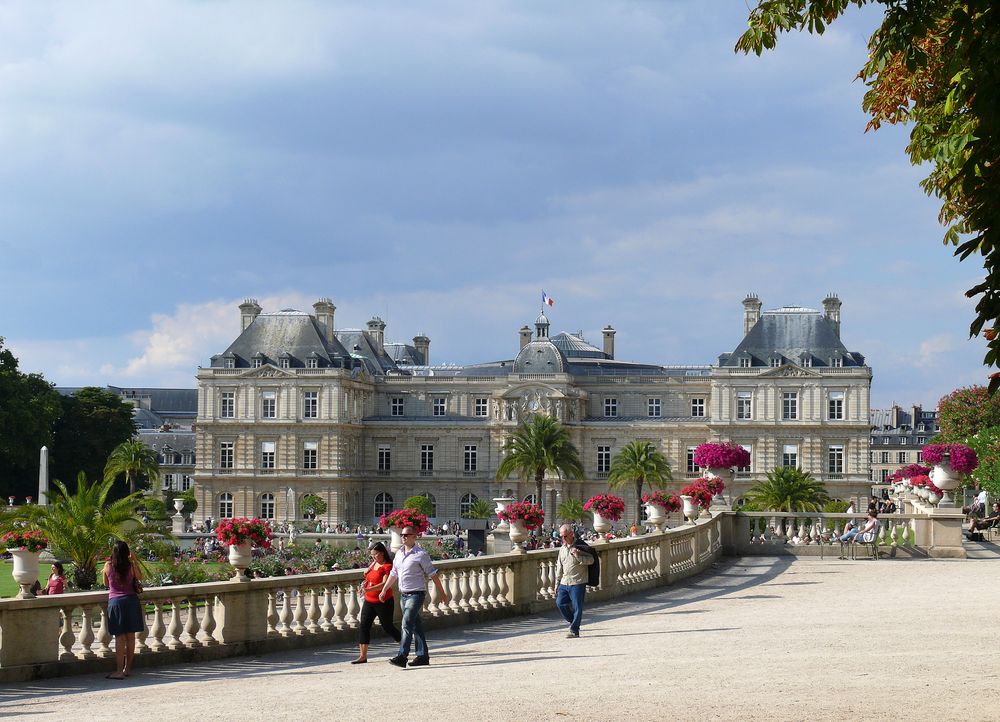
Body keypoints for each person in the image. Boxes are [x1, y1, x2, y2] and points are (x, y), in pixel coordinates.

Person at [379, 526, 450, 668]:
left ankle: (402, 656)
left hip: (416, 594)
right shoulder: (399, 553)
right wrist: (384, 589)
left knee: (406, 624)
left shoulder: (421, 554)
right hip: (403, 595)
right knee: (415, 626)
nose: (403, 537)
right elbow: (394, 574)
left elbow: (433, 574)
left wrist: (442, 593)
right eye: (402, 535)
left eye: (406, 535)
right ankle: (423, 656)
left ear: (414, 537)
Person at [351, 542, 401, 664]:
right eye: (372, 555)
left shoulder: (388, 566)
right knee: (364, 626)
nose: (373, 557)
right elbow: (368, 577)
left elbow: (384, 584)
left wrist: (368, 589)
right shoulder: (374, 563)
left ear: (382, 553)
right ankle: (363, 656)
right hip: (369, 600)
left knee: (387, 626)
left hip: (383, 601)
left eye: (375, 554)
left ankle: (404, 643)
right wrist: (365, 584)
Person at [102, 540, 144, 680]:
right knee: (130, 637)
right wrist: (135, 560)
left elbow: (105, 583)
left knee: (119, 638)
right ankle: (127, 669)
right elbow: (139, 577)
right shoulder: (131, 566)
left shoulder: (108, 566)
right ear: (127, 552)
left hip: (115, 603)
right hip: (131, 601)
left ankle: (119, 671)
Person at [554, 524, 594, 638]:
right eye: (561, 536)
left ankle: (574, 630)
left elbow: (591, 560)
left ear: (571, 534)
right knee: (560, 603)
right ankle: (574, 621)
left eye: (564, 536)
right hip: (564, 581)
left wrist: (578, 556)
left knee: (577, 606)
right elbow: (559, 567)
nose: (562, 539)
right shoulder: (562, 548)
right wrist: (556, 584)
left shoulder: (581, 546)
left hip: (578, 581)